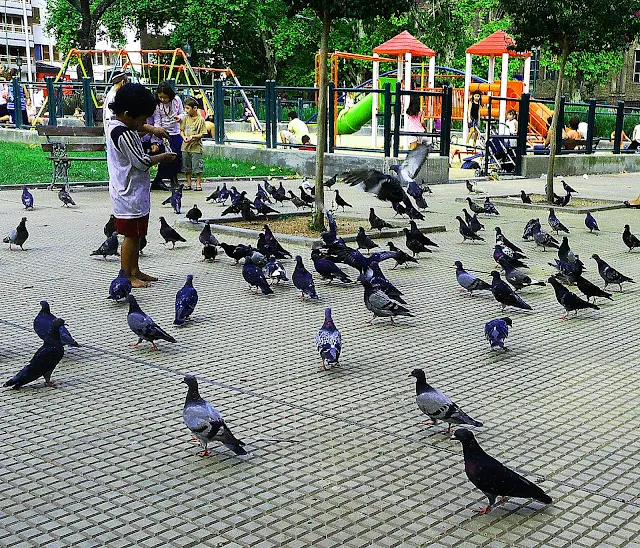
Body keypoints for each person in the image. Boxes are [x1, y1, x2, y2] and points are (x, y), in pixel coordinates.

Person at [106, 83, 177, 288]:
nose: (145, 122)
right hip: (128, 192)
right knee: (130, 236)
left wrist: (153, 129)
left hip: (133, 191)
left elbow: (136, 126)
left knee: (138, 233)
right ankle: (126, 274)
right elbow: (141, 162)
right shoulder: (124, 134)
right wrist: (163, 157)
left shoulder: (117, 123)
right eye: (143, 119)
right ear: (128, 115)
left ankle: (135, 269)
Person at [152, 81, 185, 188]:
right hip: (163, 133)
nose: (163, 100)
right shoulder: (158, 105)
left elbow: (182, 113)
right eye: (160, 97)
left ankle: (174, 178)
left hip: (175, 131)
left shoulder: (176, 100)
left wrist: (179, 118)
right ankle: (161, 179)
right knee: (166, 156)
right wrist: (157, 136)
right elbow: (157, 120)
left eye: (165, 97)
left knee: (177, 155)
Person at [180, 97, 207, 191]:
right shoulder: (185, 118)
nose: (186, 110)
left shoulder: (201, 120)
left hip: (196, 147)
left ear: (194, 108)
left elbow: (203, 133)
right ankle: (188, 183)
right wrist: (184, 137)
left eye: (188, 108)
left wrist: (193, 137)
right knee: (186, 166)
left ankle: (198, 183)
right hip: (185, 146)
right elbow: (181, 131)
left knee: (197, 166)